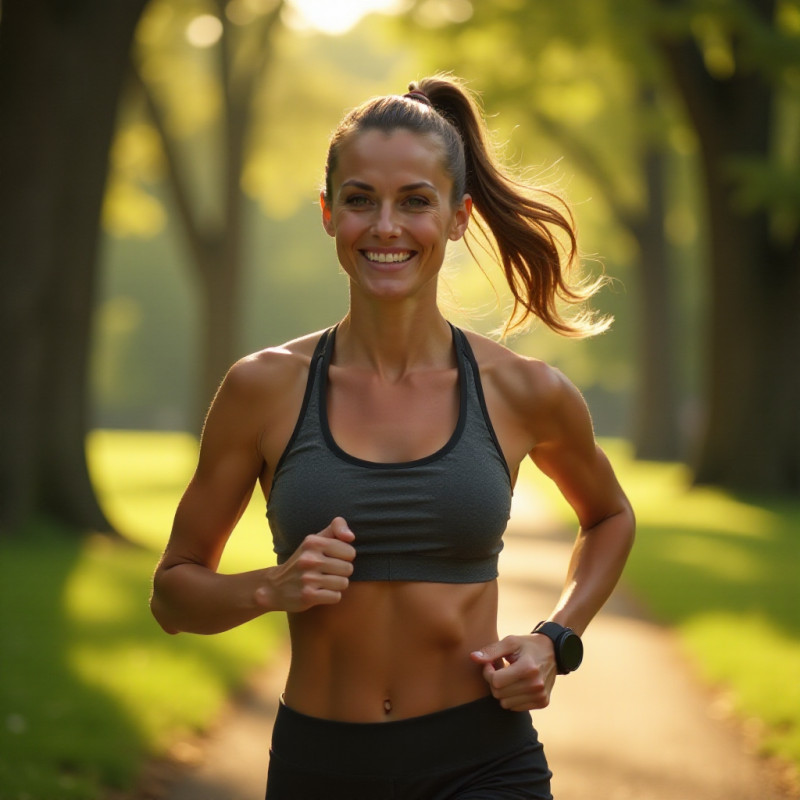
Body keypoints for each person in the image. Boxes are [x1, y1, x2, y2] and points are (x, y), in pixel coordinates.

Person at [151, 73, 635, 799]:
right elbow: (172, 596)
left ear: (458, 216)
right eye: (358, 200)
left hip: (485, 764)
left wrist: (554, 637)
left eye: (414, 201)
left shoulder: (522, 389)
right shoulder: (264, 388)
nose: (385, 227)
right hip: (322, 768)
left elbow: (609, 517)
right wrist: (270, 588)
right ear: (326, 213)